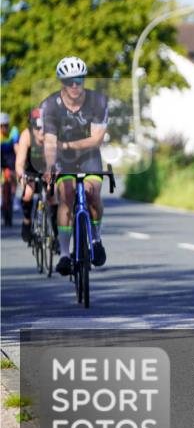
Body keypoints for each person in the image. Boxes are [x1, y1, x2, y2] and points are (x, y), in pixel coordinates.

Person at [40, 57, 110, 275]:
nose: (74, 85)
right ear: (62, 81)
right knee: (66, 194)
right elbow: (50, 141)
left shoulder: (97, 102)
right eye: (70, 81)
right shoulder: (51, 105)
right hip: (64, 159)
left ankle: (96, 239)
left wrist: (68, 144)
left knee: (92, 194)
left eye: (78, 80)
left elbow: (97, 139)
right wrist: (51, 165)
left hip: (90, 156)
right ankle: (63, 254)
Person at [15, 109, 56, 242]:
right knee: (28, 192)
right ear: (32, 126)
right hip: (30, 169)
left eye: (44, 126)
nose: (41, 131)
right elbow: (20, 161)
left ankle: (55, 232)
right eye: (37, 127)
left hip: (46, 169)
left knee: (53, 197)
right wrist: (21, 174)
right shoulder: (26, 136)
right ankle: (27, 221)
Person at [0, 112, 19, 226]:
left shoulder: (14, 132)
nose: (4, 128)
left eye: (6, 125)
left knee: (13, 176)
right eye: (1, 125)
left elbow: (17, 148)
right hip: (1, 159)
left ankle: (14, 196)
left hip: (11, 158)